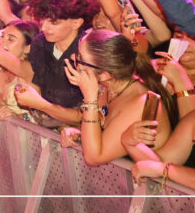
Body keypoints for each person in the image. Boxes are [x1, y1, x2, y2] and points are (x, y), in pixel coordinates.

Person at [59, 30, 175, 166]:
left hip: (142, 179)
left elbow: (94, 158)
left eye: (80, 58)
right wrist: (79, 133)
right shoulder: (106, 87)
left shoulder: (139, 104)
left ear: (105, 75)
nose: (73, 57)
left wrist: (90, 98)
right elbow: (105, 135)